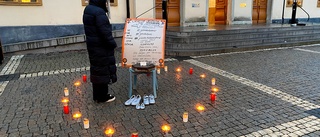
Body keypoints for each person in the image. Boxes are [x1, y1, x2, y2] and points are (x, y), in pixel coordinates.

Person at [83, 0, 117, 103]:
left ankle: (97, 95)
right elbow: (105, 32)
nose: (106, 3)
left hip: (93, 46)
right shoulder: (99, 12)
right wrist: (112, 43)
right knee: (103, 71)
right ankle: (103, 96)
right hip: (101, 47)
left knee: (97, 70)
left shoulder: (88, 9)